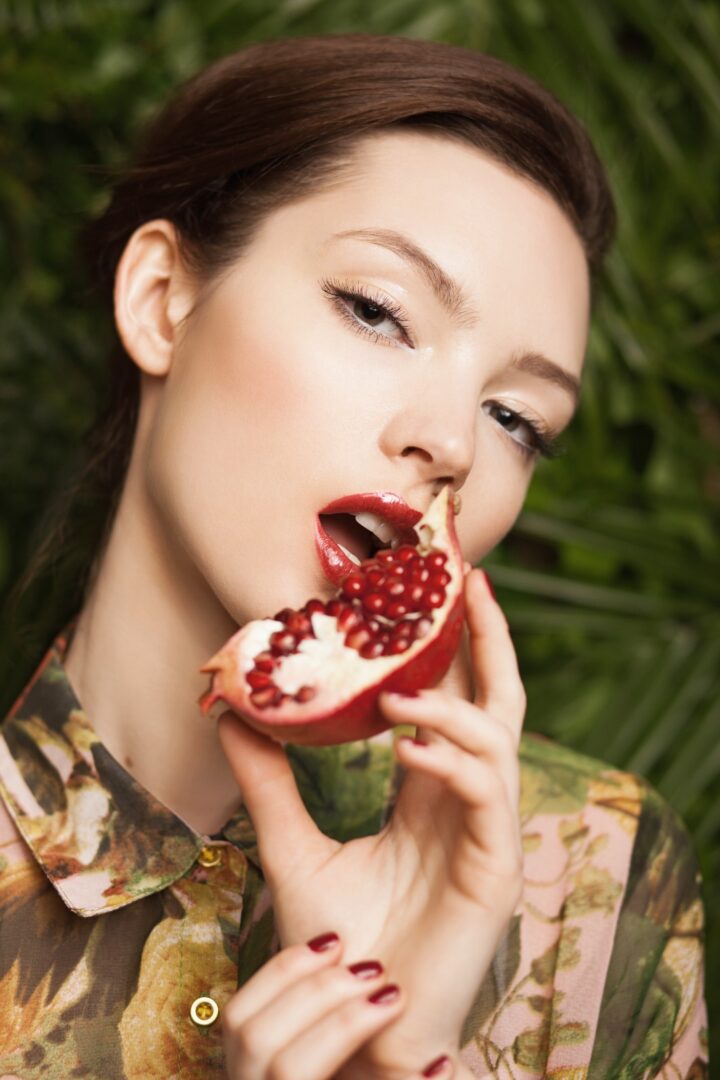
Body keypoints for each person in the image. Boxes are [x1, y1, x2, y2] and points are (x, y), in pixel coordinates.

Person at [0, 32, 708, 1080]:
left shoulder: (592, 870)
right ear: (162, 300)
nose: (455, 443)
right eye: (378, 312)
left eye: (517, 417)